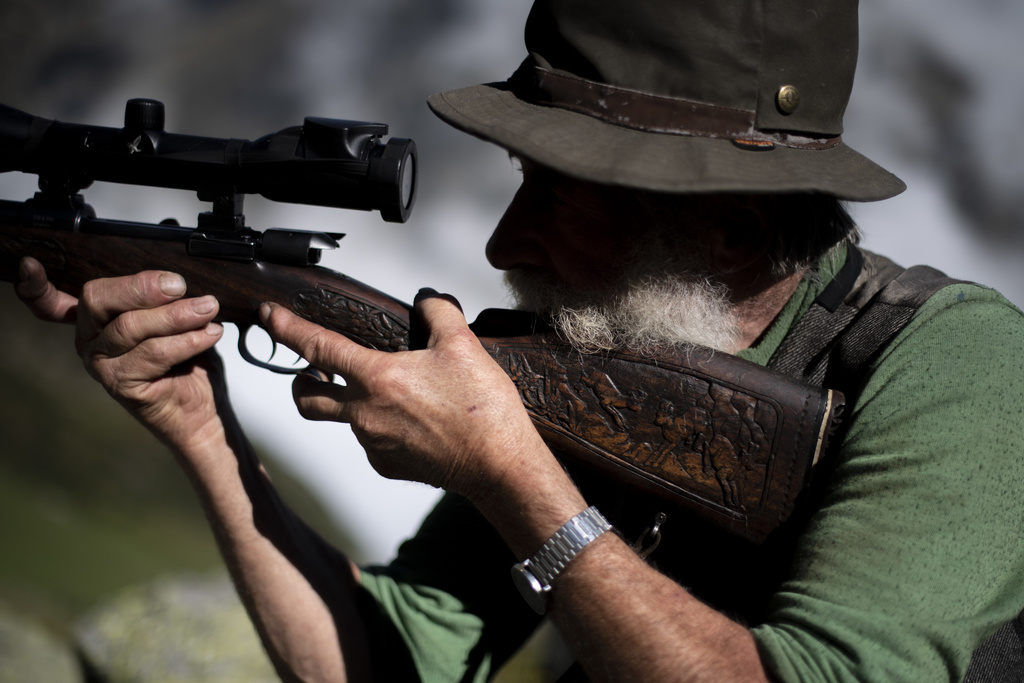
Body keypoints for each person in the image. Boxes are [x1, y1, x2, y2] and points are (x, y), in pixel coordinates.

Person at [15, 0, 1024, 681]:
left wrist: (509, 472)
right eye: (519, 175)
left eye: (563, 193)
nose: (505, 239)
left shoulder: (959, 368)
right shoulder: (595, 356)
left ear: (736, 226)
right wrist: (202, 430)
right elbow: (382, 658)